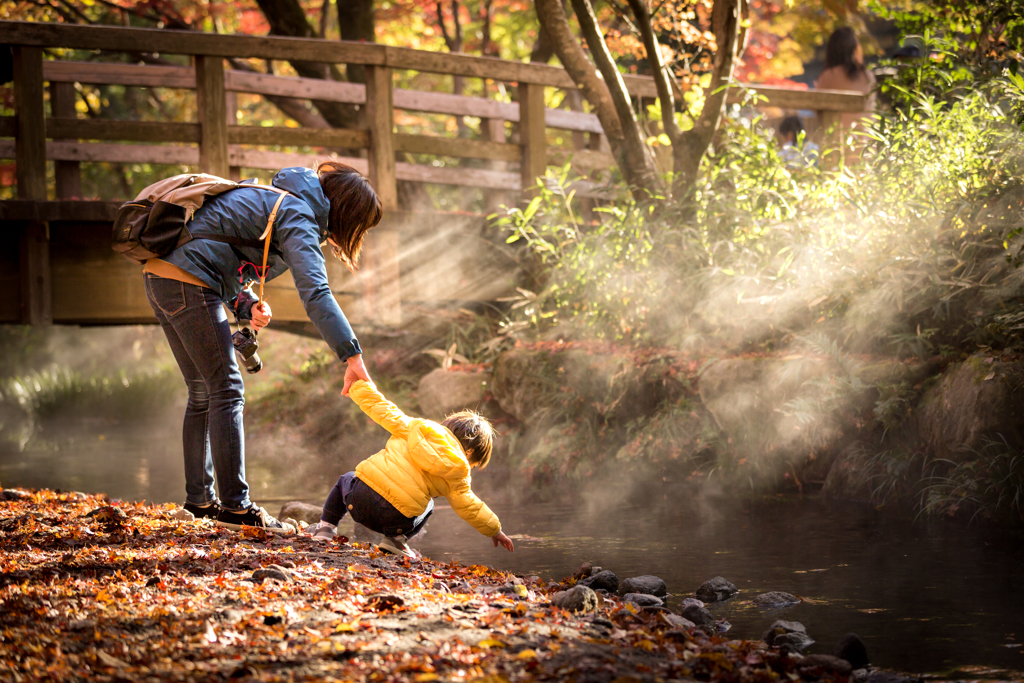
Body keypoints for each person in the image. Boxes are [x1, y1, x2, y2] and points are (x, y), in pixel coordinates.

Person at [143, 162, 382, 534]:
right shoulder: (298, 213)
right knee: (226, 389)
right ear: (346, 212)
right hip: (187, 281)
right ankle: (236, 508)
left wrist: (245, 303)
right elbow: (317, 294)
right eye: (359, 226)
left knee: (204, 391)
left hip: (162, 277)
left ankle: (200, 503)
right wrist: (352, 355)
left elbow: (219, 247)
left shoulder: (284, 199)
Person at [306, 379, 515, 558]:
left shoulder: (415, 427)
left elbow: (381, 408)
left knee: (347, 478)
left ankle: (326, 528)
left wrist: (357, 386)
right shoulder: (459, 473)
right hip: (394, 521)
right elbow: (471, 508)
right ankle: (395, 541)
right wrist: (495, 530)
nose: (470, 466)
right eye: (474, 463)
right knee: (429, 505)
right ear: (469, 452)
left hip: (358, 500)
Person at [815, 27, 877, 136]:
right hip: (867, 140)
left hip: (838, 141)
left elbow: (817, 108)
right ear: (856, 49)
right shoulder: (868, 76)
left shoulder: (830, 75)